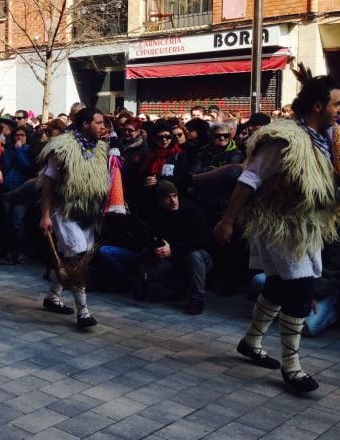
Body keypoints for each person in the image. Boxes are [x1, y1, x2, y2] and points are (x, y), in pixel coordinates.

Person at [214, 65, 340, 393]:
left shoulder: (326, 137)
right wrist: (227, 220)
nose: (339, 111)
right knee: (299, 290)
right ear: (318, 106)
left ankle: (251, 342)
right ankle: (292, 366)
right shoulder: (284, 138)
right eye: (336, 105)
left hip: (306, 225)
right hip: (280, 227)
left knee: (278, 286)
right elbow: (249, 178)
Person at [38, 108, 108, 330]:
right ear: (86, 124)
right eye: (98, 123)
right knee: (77, 258)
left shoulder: (103, 149)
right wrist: (45, 215)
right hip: (64, 210)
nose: (103, 127)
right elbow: (48, 183)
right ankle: (83, 312)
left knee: (77, 257)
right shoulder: (61, 147)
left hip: (87, 213)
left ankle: (52, 297)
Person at [137, 181, 212, 315]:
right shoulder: (159, 215)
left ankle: (197, 299)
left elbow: (203, 239)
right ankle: (177, 285)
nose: (173, 200)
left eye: (174, 196)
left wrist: (173, 249)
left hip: (199, 258)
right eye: (167, 197)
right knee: (151, 266)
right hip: (174, 259)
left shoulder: (190, 210)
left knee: (193, 255)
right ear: (161, 202)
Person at [0, 127, 34, 263]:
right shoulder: (7, 151)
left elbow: (27, 167)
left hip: (22, 193)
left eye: (22, 135)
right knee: (7, 223)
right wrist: (13, 152)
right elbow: (5, 167)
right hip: (8, 192)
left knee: (18, 222)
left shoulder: (29, 151)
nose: (20, 137)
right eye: (17, 135)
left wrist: (19, 151)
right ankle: (10, 250)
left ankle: (22, 252)